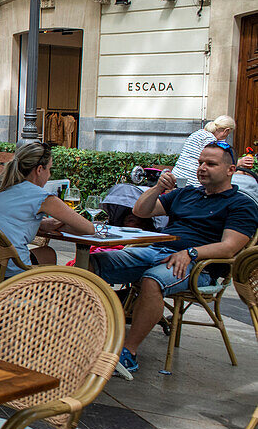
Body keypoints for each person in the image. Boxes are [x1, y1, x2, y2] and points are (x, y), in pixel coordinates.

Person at [92, 141, 258, 375]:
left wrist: (191, 253)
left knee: (152, 280)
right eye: (200, 162)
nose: (202, 168)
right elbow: (140, 211)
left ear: (230, 170)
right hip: (157, 251)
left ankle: (128, 353)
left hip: (200, 267)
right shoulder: (186, 194)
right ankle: (80, 335)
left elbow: (229, 248)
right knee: (89, 265)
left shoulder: (241, 204)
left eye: (210, 164)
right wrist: (158, 188)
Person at [0, 142, 95, 274]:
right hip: (10, 272)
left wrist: (42, 224)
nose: (49, 175)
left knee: (47, 254)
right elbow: (88, 228)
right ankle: (38, 292)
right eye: (49, 169)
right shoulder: (41, 197)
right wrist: (59, 223)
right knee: (61, 271)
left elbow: (6, 220)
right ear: (39, 170)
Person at [171, 116, 255, 185]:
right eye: (228, 134)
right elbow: (215, 163)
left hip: (176, 177)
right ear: (226, 131)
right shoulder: (210, 139)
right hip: (192, 182)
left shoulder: (198, 133)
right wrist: (239, 163)